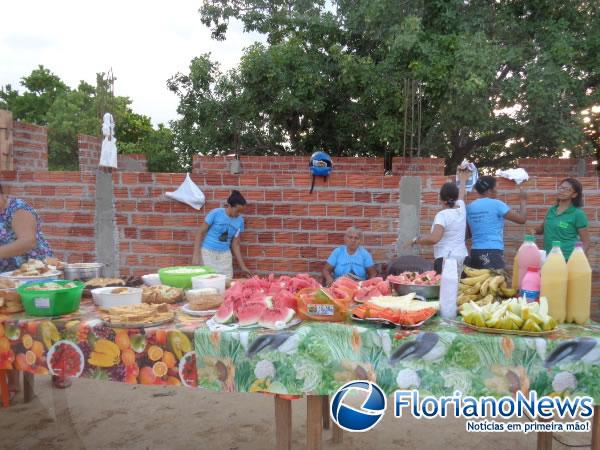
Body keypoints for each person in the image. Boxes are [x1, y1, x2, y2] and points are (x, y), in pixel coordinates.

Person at [0, 184, 63, 394]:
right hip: (8, 278)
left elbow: (28, 242)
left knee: (46, 322)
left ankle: (59, 370)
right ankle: (14, 379)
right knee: (10, 324)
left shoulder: (17, 209)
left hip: (37, 272)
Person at [409, 169, 470, 273]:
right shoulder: (461, 209)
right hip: (463, 258)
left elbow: (434, 239)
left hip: (446, 260)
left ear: (441, 198)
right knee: (461, 289)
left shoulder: (442, 215)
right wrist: (463, 180)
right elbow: (461, 196)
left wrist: (416, 240)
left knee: (445, 289)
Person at [466, 176, 528, 269]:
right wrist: (523, 200)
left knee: (478, 282)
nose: (497, 190)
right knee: (494, 281)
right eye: (496, 187)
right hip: (492, 252)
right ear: (489, 190)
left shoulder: (470, 207)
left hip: (475, 252)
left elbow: (469, 233)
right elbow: (522, 219)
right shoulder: (497, 204)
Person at [192, 190, 252, 278]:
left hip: (225, 256)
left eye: (240, 212)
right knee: (208, 282)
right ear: (230, 206)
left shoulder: (240, 221)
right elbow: (200, 233)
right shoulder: (216, 213)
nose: (238, 214)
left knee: (226, 282)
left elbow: (235, 245)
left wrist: (243, 266)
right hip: (208, 254)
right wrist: (195, 256)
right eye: (237, 211)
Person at [533, 178, 590, 259]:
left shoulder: (577, 214)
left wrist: (578, 258)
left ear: (574, 195)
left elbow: (586, 242)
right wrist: (534, 230)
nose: (562, 191)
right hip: (549, 256)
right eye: (561, 188)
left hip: (568, 258)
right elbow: (542, 229)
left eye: (567, 189)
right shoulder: (551, 210)